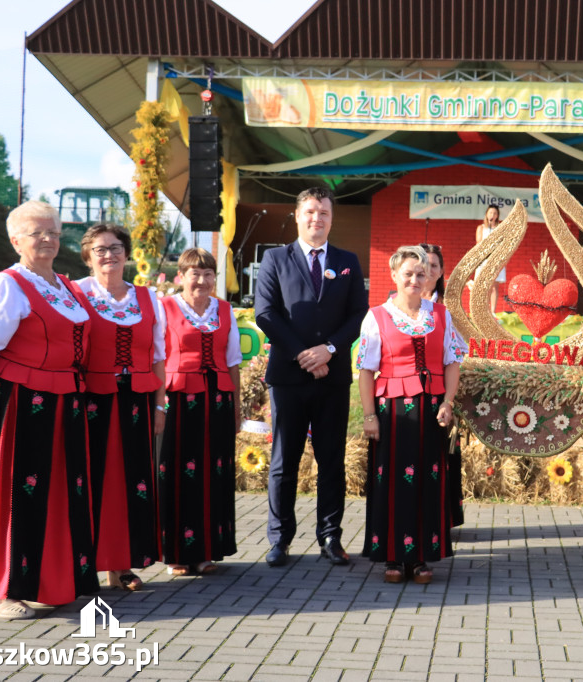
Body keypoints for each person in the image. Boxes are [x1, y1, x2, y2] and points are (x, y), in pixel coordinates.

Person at [0, 200, 98, 619]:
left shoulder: (65, 286)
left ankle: (47, 582)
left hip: (62, 406)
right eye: (37, 233)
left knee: (54, 497)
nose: (49, 238)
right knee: (15, 497)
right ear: (16, 240)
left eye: (53, 231)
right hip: (21, 406)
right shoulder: (7, 286)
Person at [255, 186, 369, 567]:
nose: (316, 218)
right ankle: (279, 539)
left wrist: (330, 350)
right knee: (284, 462)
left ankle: (330, 537)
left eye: (323, 212)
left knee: (331, 461)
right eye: (310, 212)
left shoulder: (348, 260)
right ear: (298, 215)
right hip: (289, 377)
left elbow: (358, 316)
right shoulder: (275, 258)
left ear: (331, 218)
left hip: (332, 379)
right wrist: (305, 355)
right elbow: (266, 313)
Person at [356, 246, 466, 583]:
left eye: (421, 273)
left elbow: (452, 362)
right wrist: (370, 416)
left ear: (430, 276)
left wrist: (447, 402)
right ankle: (392, 555)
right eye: (408, 274)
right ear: (394, 276)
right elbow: (364, 371)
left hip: (432, 410)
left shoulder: (442, 316)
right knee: (391, 480)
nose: (415, 279)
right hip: (392, 411)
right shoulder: (376, 316)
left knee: (428, 480)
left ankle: (420, 556)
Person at [68, 224, 166, 591]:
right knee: (88, 480)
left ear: (127, 253)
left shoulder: (148, 297)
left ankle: (121, 564)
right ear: (88, 256)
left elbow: (159, 355)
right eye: (100, 249)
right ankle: (84, 564)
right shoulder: (75, 294)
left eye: (115, 247)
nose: (109, 255)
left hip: (137, 400)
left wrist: (161, 405)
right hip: (90, 399)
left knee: (132, 480)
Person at [158, 248, 241, 575]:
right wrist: (157, 403)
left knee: (213, 473)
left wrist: (235, 409)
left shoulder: (225, 310)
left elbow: (233, 361)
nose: (202, 280)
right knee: (177, 472)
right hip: (178, 400)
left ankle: (207, 550)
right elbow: (156, 358)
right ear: (181, 276)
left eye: (209, 274)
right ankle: (177, 552)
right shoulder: (164, 308)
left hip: (217, 401)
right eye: (195, 273)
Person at [420, 242, 464, 527]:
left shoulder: (450, 307)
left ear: (441, 271)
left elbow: (460, 351)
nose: (427, 269)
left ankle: (443, 517)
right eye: (422, 263)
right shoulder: (396, 304)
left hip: (443, 392)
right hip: (406, 393)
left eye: (434, 265)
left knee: (442, 457)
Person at [475, 204, 507, 314]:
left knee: (493, 286)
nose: (492, 215)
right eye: (490, 213)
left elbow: (503, 243)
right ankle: (483, 310)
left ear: (497, 215)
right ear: (487, 214)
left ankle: (492, 311)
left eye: (495, 213)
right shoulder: (481, 228)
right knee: (483, 286)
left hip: (496, 259)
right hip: (484, 260)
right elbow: (479, 243)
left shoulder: (500, 228)